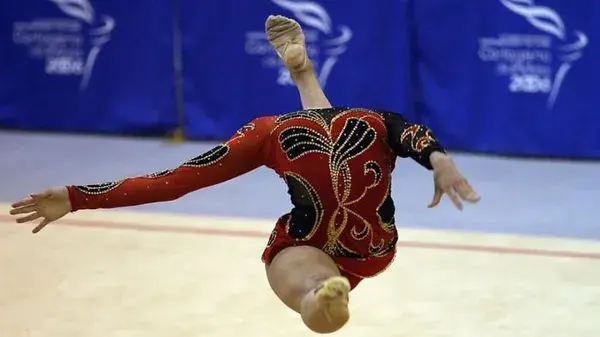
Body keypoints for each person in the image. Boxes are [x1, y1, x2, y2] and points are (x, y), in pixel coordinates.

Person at [9, 15, 480, 334]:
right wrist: (440, 161)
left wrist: (77, 196)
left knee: (316, 310)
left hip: (308, 242)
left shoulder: (267, 134)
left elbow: (173, 181)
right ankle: (305, 74)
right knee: (330, 137)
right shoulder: (374, 121)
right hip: (373, 244)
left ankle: (321, 295)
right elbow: (413, 134)